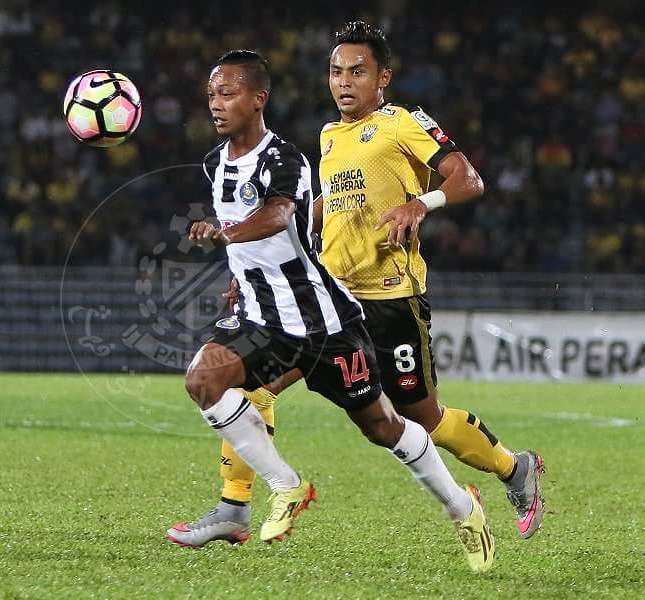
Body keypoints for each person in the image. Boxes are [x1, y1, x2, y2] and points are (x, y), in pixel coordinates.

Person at [199, 22, 545, 554]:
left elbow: (467, 179)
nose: (344, 82)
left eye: (357, 71)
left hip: (391, 300)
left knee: (421, 418)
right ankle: (236, 505)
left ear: (383, 77)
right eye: (336, 71)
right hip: (329, 301)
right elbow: (316, 212)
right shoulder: (328, 138)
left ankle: (512, 467)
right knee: (250, 388)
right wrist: (252, 270)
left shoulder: (401, 123)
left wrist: (419, 203)